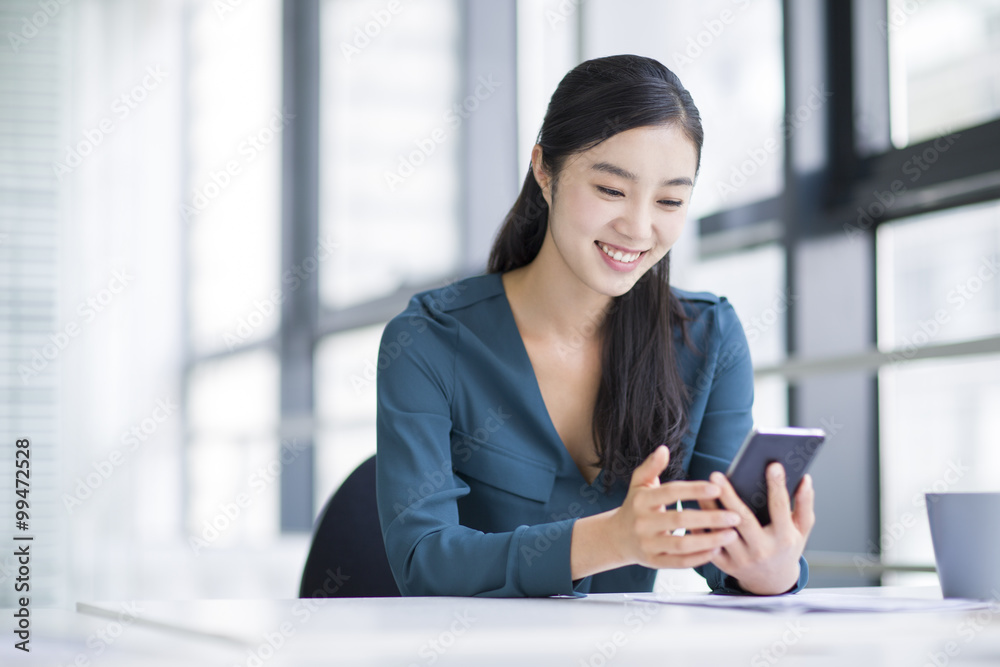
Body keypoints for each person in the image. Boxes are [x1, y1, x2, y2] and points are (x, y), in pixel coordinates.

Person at [375, 54, 814, 597]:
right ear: (544, 170)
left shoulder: (708, 337)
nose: (637, 227)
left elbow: (722, 546)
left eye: (670, 200)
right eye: (611, 190)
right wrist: (613, 539)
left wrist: (771, 570)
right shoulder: (429, 340)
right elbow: (423, 562)